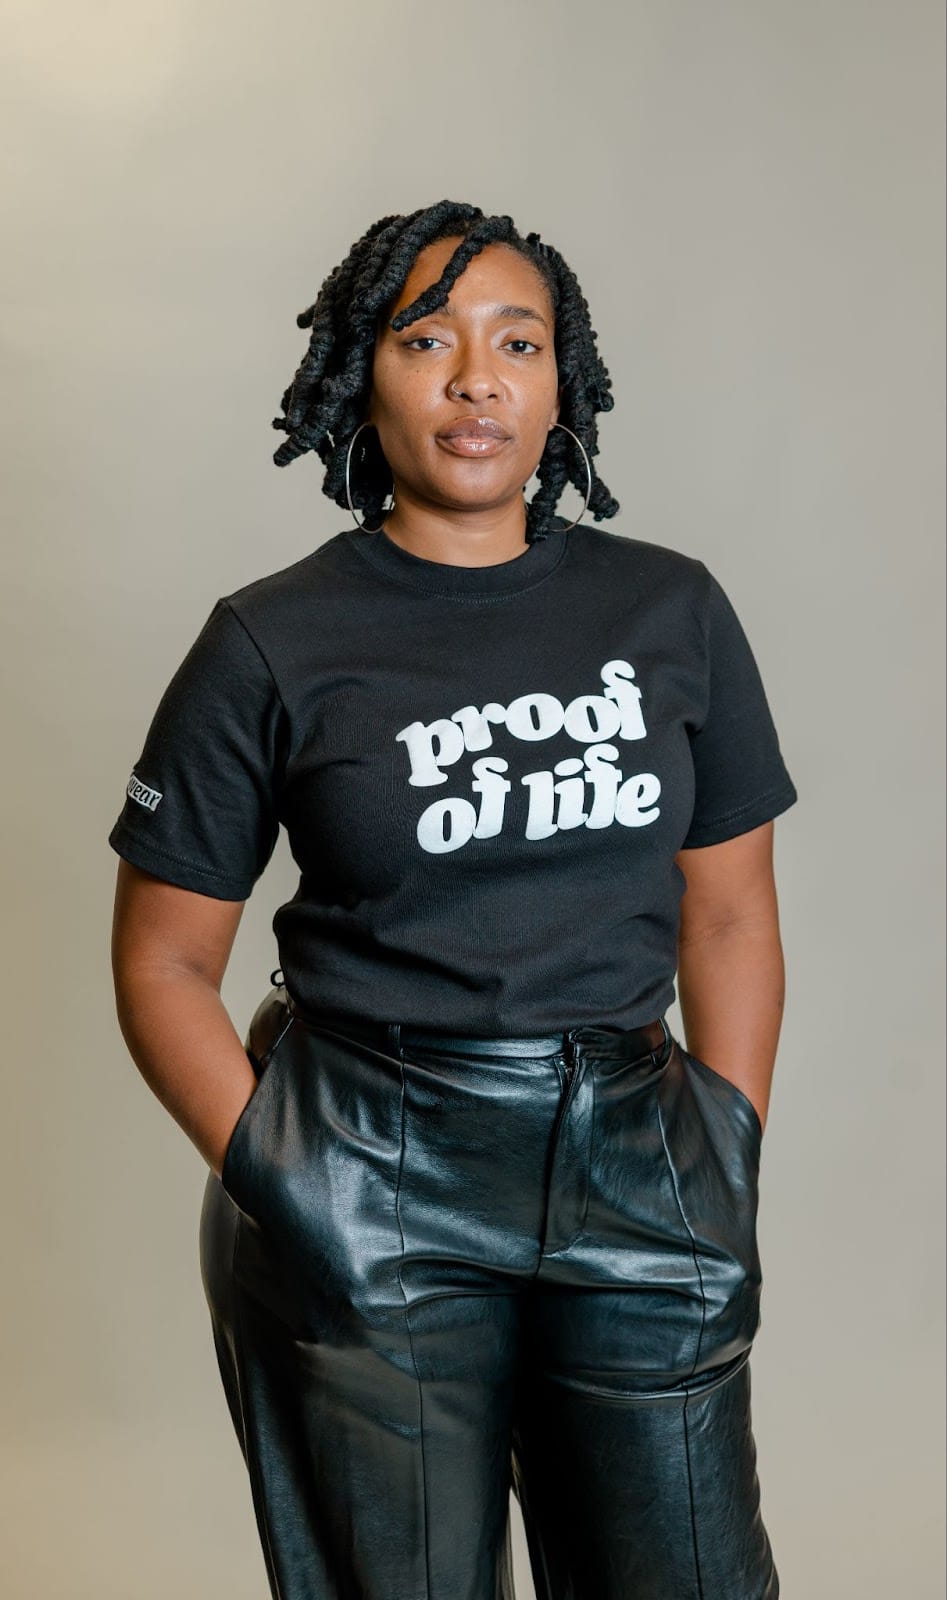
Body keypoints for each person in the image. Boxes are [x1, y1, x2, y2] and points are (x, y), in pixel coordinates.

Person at [108, 199, 797, 1600]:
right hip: (369, 1152)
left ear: (563, 381)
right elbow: (162, 963)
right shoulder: (271, 639)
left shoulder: (672, 610)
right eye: (426, 341)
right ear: (362, 376)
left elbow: (730, 916)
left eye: (517, 343)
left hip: (637, 1157)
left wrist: (723, 1145)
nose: (476, 380)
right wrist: (286, 1180)